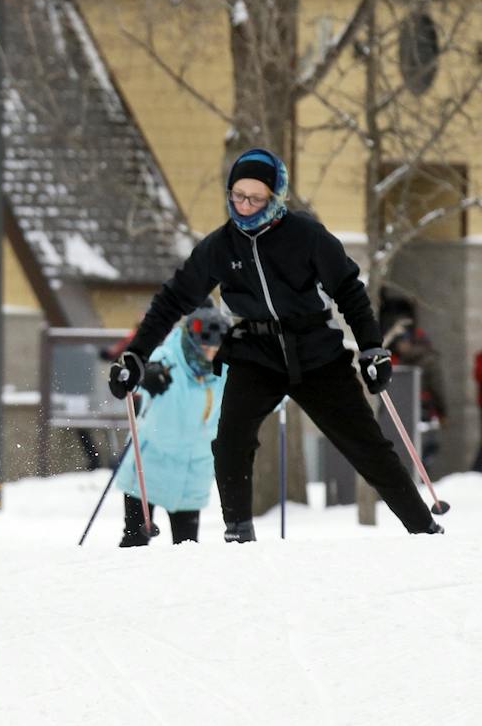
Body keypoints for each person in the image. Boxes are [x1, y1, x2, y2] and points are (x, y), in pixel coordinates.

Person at [110, 148, 443, 540]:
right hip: (256, 351)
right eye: (237, 195)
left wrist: (372, 348)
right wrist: (136, 354)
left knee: (366, 445)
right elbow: (173, 300)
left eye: (255, 197)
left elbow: (349, 291)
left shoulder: (307, 236)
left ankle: (424, 529)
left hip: (316, 351)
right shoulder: (221, 247)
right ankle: (239, 534)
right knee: (231, 441)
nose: (245, 206)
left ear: (275, 197)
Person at [115, 307, 230, 546]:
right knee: (134, 541)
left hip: (193, 473)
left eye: (215, 349)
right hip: (149, 467)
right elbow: (136, 379)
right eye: (205, 348)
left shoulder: (226, 372)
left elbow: (257, 396)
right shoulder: (167, 358)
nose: (210, 355)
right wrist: (144, 376)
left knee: (186, 547)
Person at [378, 292, 447, 467]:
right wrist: (442, 411)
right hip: (400, 412)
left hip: (418, 410)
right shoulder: (392, 350)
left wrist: (441, 410)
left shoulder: (419, 351)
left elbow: (435, 380)